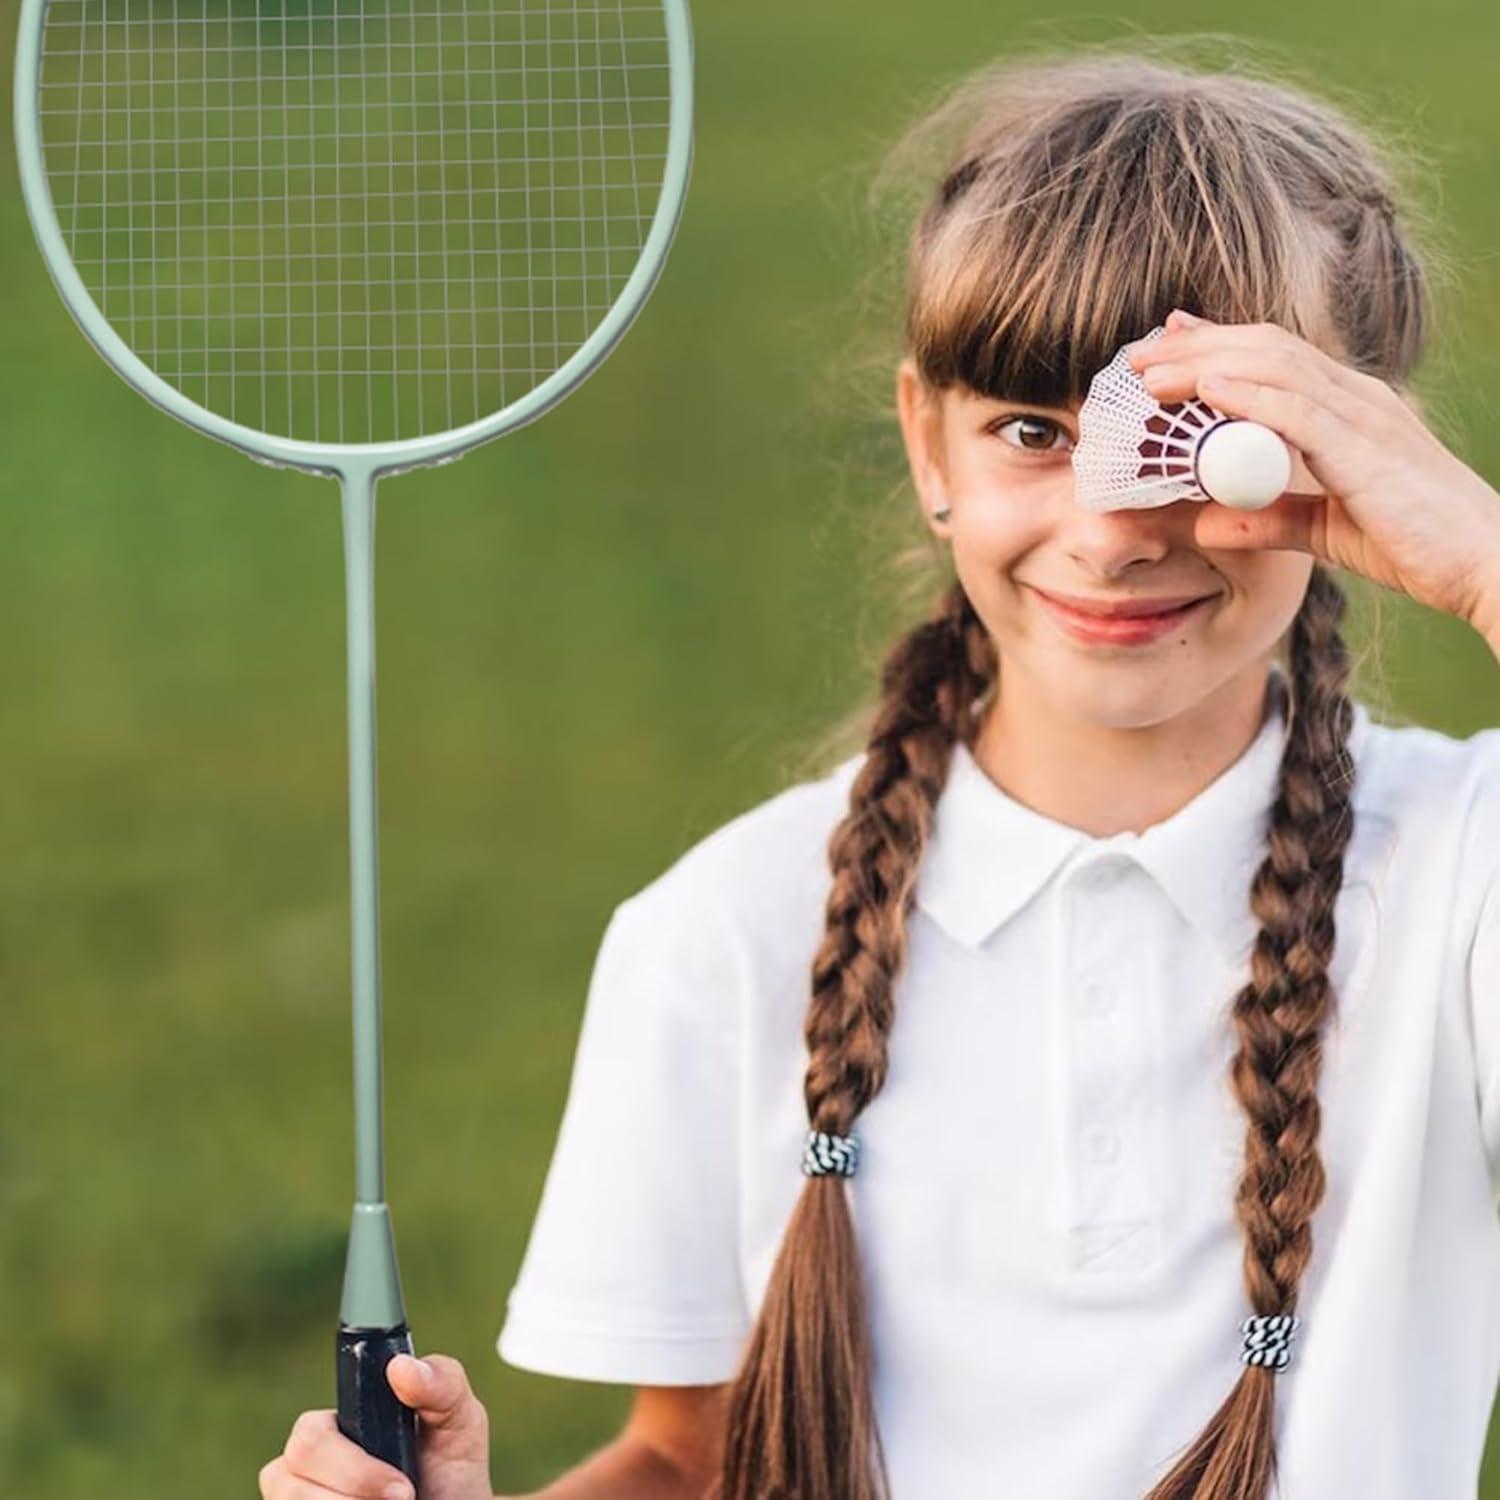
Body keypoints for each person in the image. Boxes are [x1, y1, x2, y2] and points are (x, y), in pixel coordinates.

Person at [258, 46, 1500, 1500]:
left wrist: (1475, 555)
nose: (1112, 531)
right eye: (1035, 433)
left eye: (1204, 444)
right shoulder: (722, 932)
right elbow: (692, 1459)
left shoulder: (1461, 869)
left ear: (1364, 451)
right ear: (929, 440)